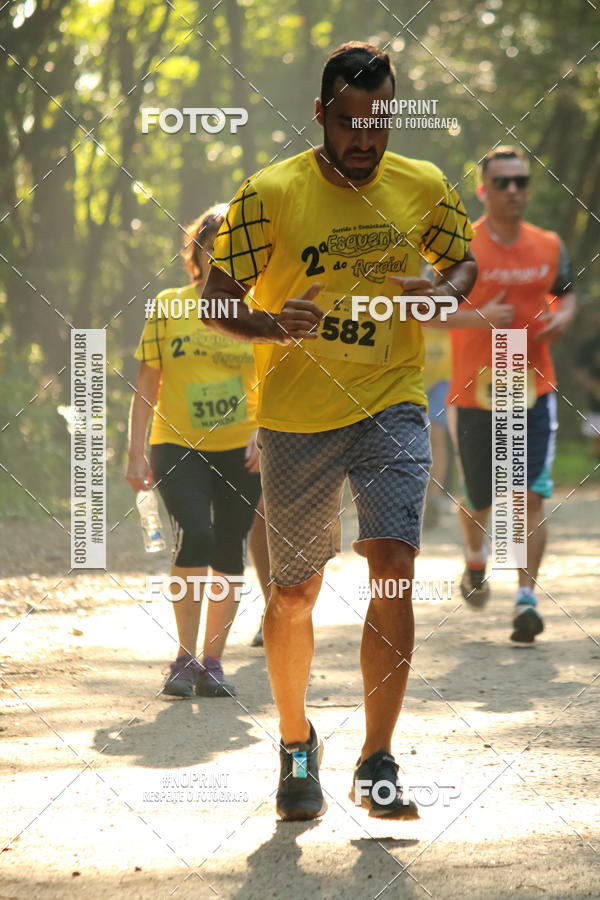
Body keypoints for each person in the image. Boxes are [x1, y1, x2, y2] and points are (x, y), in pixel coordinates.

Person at [201, 42, 477, 820]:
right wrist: (269, 324)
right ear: (322, 114)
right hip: (297, 415)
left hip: (392, 399)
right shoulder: (270, 194)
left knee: (393, 566)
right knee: (294, 594)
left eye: (379, 121)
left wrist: (442, 292)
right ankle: (297, 746)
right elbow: (215, 298)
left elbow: (463, 264)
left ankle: (377, 758)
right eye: (350, 122)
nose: (364, 138)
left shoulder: (423, 185)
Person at [125, 204, 270, 697]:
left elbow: (277, 379)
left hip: (242, 447)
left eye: (235, 247)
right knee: (196, 537)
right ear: (198, 252)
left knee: (229, 545)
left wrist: (265, 431)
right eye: (214, 246)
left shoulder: (259, 311)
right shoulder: (169, 305)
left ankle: (212, 661)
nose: (223, 255)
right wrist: (134, 452)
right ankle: (183, 657)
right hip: (177, 443)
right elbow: (147, 384)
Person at [445, 146, 576, 643]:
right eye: (502, 183)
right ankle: (476, 558)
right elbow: (426, 313)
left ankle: (526, 599)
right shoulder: (461, 248)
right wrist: (478, 318)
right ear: (484, 190)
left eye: (521, 181)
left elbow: (566, 292)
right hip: (475, 395)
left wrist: (563, 318)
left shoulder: (548, 244)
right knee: (480, 502)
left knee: (528, 496)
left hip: (533, 389)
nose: (514, 190)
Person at [574, 309, 600, 465]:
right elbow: (579, 370)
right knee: (597, 434)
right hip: (596, 398)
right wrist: (590, 384)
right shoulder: (589, 345)